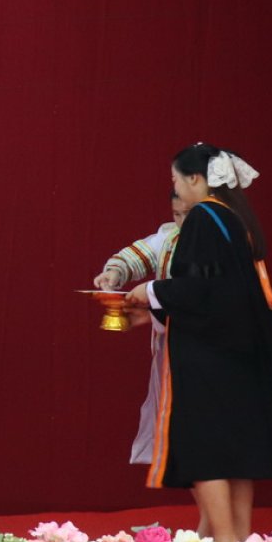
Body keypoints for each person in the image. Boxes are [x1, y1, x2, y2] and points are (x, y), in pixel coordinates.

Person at [123, 144, 272, 542]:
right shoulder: (235, 217)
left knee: (205, 453)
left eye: (176, 179)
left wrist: (150, 291)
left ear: (195, 178)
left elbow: (198, 289)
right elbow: (225, 295)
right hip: (239, 355)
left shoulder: (203, 218)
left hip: (208, 361)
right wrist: (156, 312)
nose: (175, 187)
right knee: (236, 456)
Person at [95, 192, 188, 470]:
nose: (183, 222)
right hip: (173, 350)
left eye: (190, 215)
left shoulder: (220, 244)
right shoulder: (170, 238)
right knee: (179, 433)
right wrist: (115, 272)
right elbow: (137, 256)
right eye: (177, 214)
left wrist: (151, 295)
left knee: (204, 439)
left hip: (210, 351)